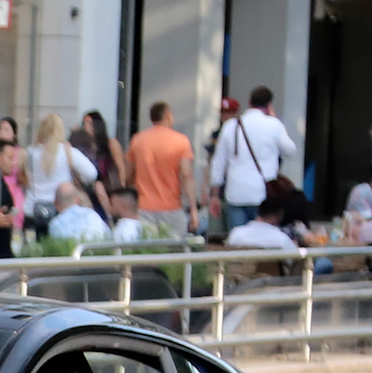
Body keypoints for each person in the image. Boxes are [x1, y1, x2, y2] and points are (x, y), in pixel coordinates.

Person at [211, 86, 295, 230]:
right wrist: (274, 119)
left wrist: (215, 196)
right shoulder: (274, 125)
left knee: (238, 243)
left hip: (236, 193)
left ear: (249, 102)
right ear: (269, 105)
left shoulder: (230, 126)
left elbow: (218, 163)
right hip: (262, 194)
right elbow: (290, 151)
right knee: (262, 244)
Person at [127, 101, 196, 235]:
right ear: (168, 116)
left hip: (144, 207)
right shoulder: (181, 141)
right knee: (173, 251)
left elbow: (128, 175)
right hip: (171, 207)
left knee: (148, 252)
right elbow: (186, 176)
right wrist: (193, 209)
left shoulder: (138, 140)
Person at [21, 115, 99, 232]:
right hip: (61, 209)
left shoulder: (31, 152)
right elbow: (92, 173)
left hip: (33, 209)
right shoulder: (68, 152)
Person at [75, 110, 125, 211]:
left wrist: (122, 190)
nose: (86, 127)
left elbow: (121, 168)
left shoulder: (110, 143)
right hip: (88, 190)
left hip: (108, 189)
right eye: (84, 123)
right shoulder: (83, 146)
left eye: (89, 123)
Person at [223, 194, 300, 250]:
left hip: (239, 271)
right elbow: (294, 259)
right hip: (272, 272)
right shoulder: (281, 239)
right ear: (278, 216)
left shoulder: (236, 233)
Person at [46, 181, 111, 244]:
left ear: (55, 204)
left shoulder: (55, 224)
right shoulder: (92, 214)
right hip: (100, 252)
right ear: (78, 200)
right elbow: (109, 236)